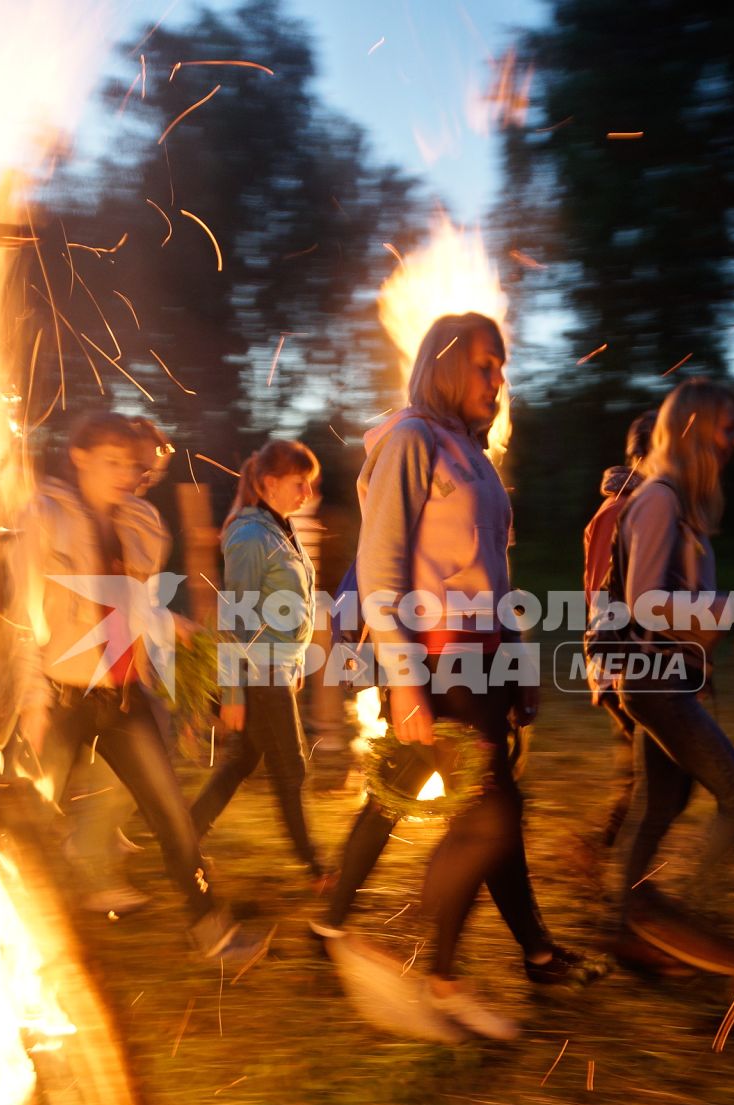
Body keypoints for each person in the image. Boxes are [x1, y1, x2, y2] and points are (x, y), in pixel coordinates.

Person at [322, 311, 606, 1042]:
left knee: (495, 810)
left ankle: (534, 952)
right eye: (485, 365)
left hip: (486, 661)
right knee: (492, 816)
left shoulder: (473, 457)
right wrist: (406, 686)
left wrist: (520, 662)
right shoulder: (412, 441)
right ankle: (441, 976)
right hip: (437, 660)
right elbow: (382, 568)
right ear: (446, 367)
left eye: (502, 366)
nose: (498, 380)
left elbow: (496, 574)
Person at [16, 411, 264, 963]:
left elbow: (137, 605)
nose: (126, 475)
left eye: (131, 465)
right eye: (112, 463)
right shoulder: (44, 516)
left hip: (122, 700)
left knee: (172, 815)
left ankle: (214, 931)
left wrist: (176, 629)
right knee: (26, 815)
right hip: (60, 699)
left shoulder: (141, 524)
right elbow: (21, 615)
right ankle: (18, 932)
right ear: (78, 457)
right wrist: (32, 703)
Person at [591, 379, 734, 976]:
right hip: (656, 680)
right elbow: (643, 601)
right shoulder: (660, 497)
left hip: (669, 677)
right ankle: (685, 926)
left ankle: (628, 929)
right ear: (692, 428)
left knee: (661, 801)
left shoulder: (675, 500)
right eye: (726, 427)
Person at [190, 439, 329, 886]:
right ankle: (312, 865)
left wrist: (296, 667)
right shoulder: (249, 536)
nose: (307, 493)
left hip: (279, 669)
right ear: (269, 483)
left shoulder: (279, 527)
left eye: (309, 483)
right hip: (257, 670)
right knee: (291, 766)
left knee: (243, 760)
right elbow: (235, 618)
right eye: (299, 483)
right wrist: (231, 692)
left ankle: (184, 834)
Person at [567, 410, 654, 871]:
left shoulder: (643, 505)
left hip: (632, 651)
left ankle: (606, 858)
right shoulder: (621, 511)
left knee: (641, 764)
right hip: (623, 652)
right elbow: (606, 593)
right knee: (646, 768)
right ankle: (608, 861)